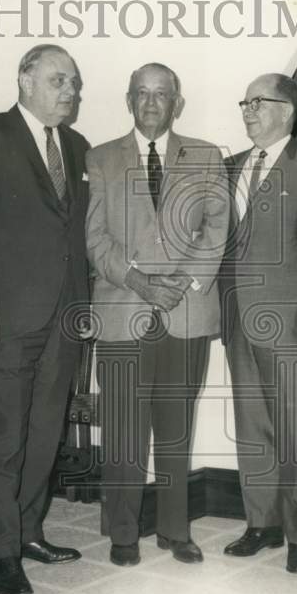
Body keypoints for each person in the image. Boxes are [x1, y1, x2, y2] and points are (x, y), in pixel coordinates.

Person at [0, 44, 90, 594]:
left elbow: (72, 235)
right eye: (59, 80)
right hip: (2, 317)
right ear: (25, 80)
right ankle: (3, 553)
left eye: (74, 82)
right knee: (3, 436)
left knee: (46, 432)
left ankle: (30, 532)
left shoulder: (76, 147)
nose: (70, 91)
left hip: (64, 319)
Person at [86, 62, 229, 567]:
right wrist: (142, 282)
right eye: (142, 94)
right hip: (123, 311)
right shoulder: (100, 158)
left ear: (177, 103)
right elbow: (95, 238)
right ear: (128, 100)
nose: (151, 103)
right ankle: (123, 533)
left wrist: (181, 283)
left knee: (175, 427)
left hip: (186, 312)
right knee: (124, 429)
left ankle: (174, 528)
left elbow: (217, 228)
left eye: (161, 94)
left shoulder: (208, 156)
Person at [219, 73, 297, 574]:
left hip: (293, 325)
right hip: (237, 322)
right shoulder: (230, 168)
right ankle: (262, 523)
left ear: (286, 112)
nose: (248, 111)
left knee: (295, 431)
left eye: (258, 102)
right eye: (244, 102)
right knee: (253, 428)